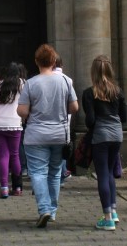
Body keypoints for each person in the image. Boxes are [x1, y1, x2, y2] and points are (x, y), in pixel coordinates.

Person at [17, 44, 78, 228]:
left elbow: (22, 111)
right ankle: (52, 211)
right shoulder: (66, 81)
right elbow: (74, 107)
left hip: (36, 135)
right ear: (54, 61)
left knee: (37, 172)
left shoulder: (31, 83)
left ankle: (43, 208)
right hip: (59, 135)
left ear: (37, 62)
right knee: (54, 173)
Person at [82, 55, 127, 230]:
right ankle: (114, 212)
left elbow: (90, 120)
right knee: (109, 171)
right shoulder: (118, 91)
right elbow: (123, 117)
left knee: (102, 174)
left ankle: (107, 218)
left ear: (93, 71)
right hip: (117, 135)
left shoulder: (89, 93)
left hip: (101, 136)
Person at [0, 62, 24, 198]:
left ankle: (4, 187)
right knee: (15, 154)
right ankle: (17, 188)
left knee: (4, 155)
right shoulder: (22, 84)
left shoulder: (0, 85)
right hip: (14, 122)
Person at [54, 53, 74, 183]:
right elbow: (73, 104)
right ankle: (62, 172)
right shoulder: (67, 79)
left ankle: (60, 173)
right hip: (64, 118)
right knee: (63, 145)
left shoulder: (42, 78)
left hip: (48, 121)